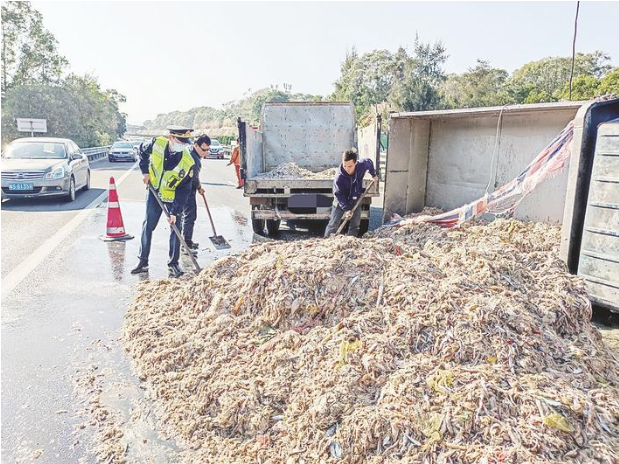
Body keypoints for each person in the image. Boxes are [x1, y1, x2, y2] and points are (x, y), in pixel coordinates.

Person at [131, 125, 196, 278]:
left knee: (175, 229)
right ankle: (143, 261)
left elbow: (184, 190)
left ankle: (173, 263)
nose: (183, 145)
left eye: (185, 142)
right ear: (171, 138)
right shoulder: (156, 144)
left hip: (173, 198)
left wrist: (175, 211)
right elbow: (142, 152)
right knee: (148, 226)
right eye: (180, 142)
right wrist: (145, 172)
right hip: (154, 193)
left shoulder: (188, 162)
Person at [324, 149, 379, 238]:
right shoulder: (339, 177)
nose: (347, 169)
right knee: (334, 222)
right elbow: (338, 194)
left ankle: (351, 239)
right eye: (345, 166)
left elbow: (369, 162)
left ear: (355, 163)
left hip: (355, 197)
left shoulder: (362, 165)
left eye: (350, 166)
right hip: (341, 200)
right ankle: (327, 240)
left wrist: (374, 175)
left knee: (355, 223)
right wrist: (346, 209)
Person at [181, 134, 211, 251]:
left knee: (185, 215)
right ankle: (186, 243)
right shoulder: (194, 159)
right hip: (187, 190)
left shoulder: (191, 152)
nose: (205, 152)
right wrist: (199, 187)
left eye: (207, 149)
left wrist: (199, 187)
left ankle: (185, 241)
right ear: (196, 145)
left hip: (183, 188)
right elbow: (194, 178)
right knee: (190, 215)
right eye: (203, 149)